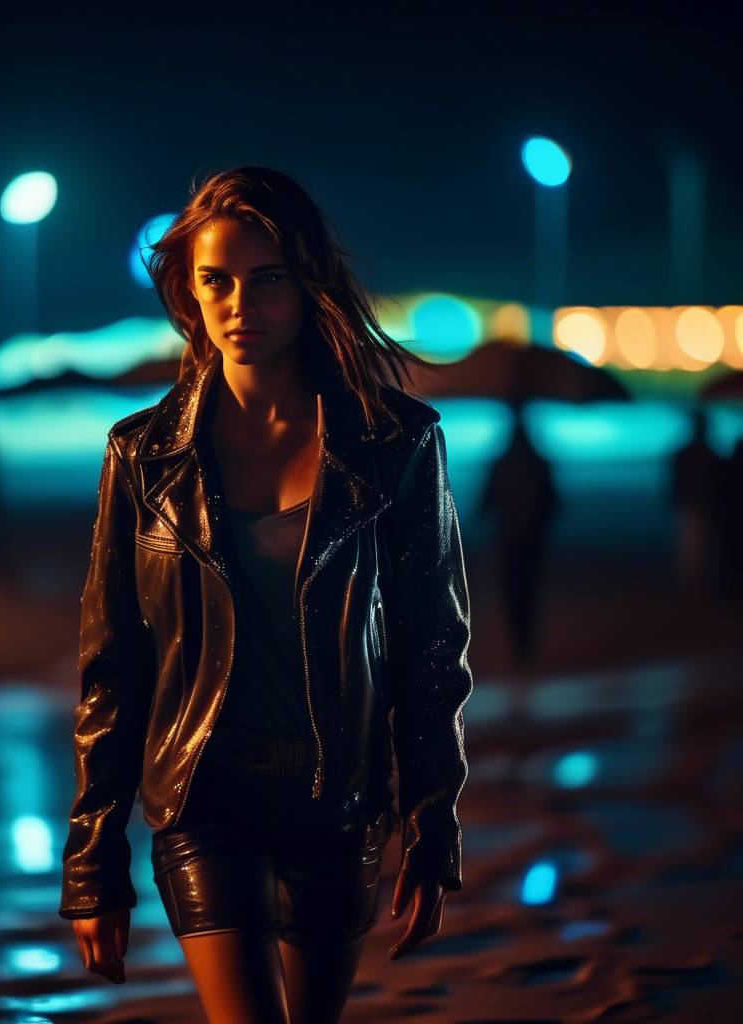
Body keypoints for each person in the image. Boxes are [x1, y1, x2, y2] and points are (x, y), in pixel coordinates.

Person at [59, 166, 474, 1024]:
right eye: (216, 280)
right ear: (189, 289)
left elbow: (434, 651)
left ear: (307, 283)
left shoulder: (395, 443)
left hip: (339, 801)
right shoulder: (143, 456)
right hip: (204, 797)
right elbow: (113, 667)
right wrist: (93, 863)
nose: (239, 304)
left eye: (267, 278)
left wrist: (433, 826)